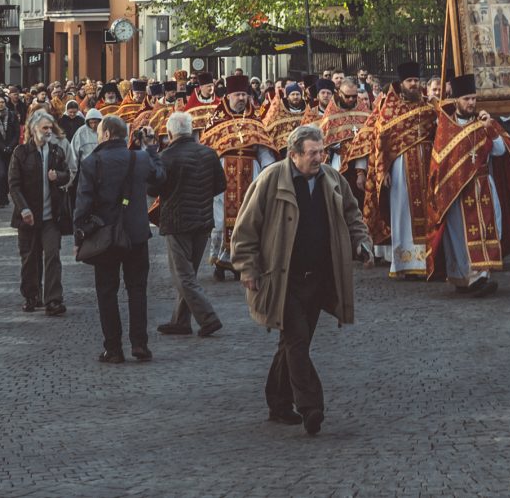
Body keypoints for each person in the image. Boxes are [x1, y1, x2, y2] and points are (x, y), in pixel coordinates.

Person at [231, 123, 372, 435]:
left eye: (321, 152)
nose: (318, 158)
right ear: (293, 155)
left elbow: (352, 214)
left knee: (295, 341)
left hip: (319, 276)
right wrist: (247, 268)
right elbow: (246, 228)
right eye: (312, 153)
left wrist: (361, 242)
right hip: (282, 277)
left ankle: (277, 402)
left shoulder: (332, 179)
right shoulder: (270, 180)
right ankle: (310, 406)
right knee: (296, 340)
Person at [74, 113, 165, 362]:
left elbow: (82, 204)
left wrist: (78, 238)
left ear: (104, 134)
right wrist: (151, 148)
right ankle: (140, 345)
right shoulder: (139, 157)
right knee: (137, 291)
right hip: (136, 234)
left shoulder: (92, 162)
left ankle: (113, 348)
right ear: (124, 135)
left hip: (105, 236)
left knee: (106, 292)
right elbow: (159, 177)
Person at [429, 73, 510, 295]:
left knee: (486, 230)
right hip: (457, 191)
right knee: (459, 235)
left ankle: (481, 276)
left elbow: (501, 150)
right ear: (456, 100)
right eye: (466, 99)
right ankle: (462, 278)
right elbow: (439, 163)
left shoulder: (483, 123)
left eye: (474, 98)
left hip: (483, 184)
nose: (471, 103)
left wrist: (489, 127)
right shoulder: (447, 127)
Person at [360, 61, 436, 279]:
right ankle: (406, 263)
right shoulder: (390, 109)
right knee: (403, 213)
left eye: (416, 80)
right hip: (401, 169)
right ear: (401, 83)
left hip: (427, 164)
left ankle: (430, 259)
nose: (413, 84)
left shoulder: (428, 106)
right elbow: (380, 140)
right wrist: (383, 170)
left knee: (430, 211)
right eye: (409, 81)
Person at [156, 111, 227, 338]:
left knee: (182, 274)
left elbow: (153, 189)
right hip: (203, 220)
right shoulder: (209, 153)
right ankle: (180, 321)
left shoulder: (166, 156)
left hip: (177, 221)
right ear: (191, 130)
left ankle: (208, 317)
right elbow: (220, 184)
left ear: (169, 133)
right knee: (189, 273)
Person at [200, 74, 276, 280]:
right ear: (228, 96)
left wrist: (270, 171)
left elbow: (264, 149)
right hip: (223, 176)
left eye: (244, 94)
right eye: (237, 95)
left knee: (249, 219)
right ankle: (220, 262)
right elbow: (207, 149)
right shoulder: (216, 120)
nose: (241, 98)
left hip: (251, 175)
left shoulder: (254, 120)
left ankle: (243, 261)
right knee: (221, 220)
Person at [8, 110, 71, 315]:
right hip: (28, 216)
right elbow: (14, 185)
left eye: (50, 128)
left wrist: (58, 176)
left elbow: (67, 174)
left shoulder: (56, 152)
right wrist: (23, 208)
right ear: (34, 129)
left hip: (51, 216)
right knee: (30, 258)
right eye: (44, 128)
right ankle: (31, 295)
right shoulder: (21, 153)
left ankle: (53, 299)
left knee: (52, 255)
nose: (48, 132)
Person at [0, 92, 20, 207]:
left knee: (8, 175)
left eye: (2, 102)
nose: (0, 104)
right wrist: (2, 147)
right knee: (1, 174)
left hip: (11, 149)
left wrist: (10, 146)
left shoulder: (12, 115)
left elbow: (17, 133)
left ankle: (5, 194)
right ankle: (1, 200)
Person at [72, 106, 103, 175]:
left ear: (100, 121)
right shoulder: (81, 132)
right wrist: (72, 173)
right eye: (91, 123)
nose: (94, 125)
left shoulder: (105, 131)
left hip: (103, 168)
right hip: (86, 169)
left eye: (96, 122)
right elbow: (74, 154)